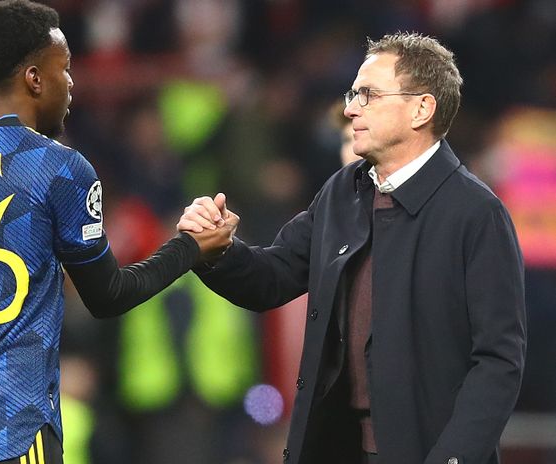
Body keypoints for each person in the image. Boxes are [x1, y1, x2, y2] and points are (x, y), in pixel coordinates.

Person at [0, 2, 232, 464]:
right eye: (64, 68)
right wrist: (191, 248)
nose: (71, 83)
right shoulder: (60, 169)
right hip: (17, 430)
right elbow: (108, 295)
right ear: (34, 78)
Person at [179, 32, 526, 464]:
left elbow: (497, 361)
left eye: (368, 94)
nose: (349, 109)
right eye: (352, 93)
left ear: (422, 108)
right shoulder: (343, 191)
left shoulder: (476, 213)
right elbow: (272, 278)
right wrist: (218, 250)